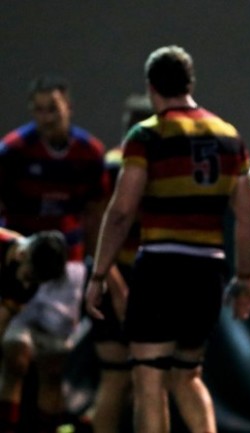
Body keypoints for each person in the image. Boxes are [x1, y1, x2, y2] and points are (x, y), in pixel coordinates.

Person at [84, 45, 250, 433]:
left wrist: (99, 275)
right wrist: (245, 278)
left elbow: (121, 212)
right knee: (187, 375)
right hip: (208, 270)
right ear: (190, 82)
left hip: (161, 267)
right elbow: (246, 215)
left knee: (149, 378)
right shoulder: (228, 136)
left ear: (151, 88)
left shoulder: (147, 135)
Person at [0, 75, 109, 433]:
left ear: (68, 108)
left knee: (52, 363)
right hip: (20, 261)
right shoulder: (14, 150)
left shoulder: (89, 153)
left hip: (66, 269)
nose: (46, 117)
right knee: (14, 357)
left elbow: (96, 211)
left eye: (53, 109)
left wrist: (95, 264)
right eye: (39, 110)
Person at [84, 93, 153, 433]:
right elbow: (106, 220)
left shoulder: (110, 163)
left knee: (117, 377)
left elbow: (96, 224)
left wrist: (106, 277)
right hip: (139, 272)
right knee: (149, 378)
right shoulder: (144, 166)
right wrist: (116, 283)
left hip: (111, 270)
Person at [0, 228, 68, 340]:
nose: (26, 285)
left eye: (36, 281)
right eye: (28, 276)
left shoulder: (30, 284)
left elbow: (2, 320)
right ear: (21, 255)